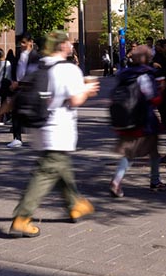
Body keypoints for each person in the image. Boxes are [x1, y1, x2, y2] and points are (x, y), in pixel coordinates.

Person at [7, 31, 100, 238]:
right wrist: (88, 89)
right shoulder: (69, 69)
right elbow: (75, 100)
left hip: (38, 127)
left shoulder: (39, 65)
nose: (71, 46)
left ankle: (75, 204)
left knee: (60, 166)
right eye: (68, 43)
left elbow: (20, 92)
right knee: (46, 172)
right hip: (59, 129)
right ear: (64, 46)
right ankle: (21, 218)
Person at [109, 45, 166, 197]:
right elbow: (153, 98)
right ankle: (154, 181)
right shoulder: (145, 75)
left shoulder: (124, 73)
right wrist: (161, 89)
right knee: (154, 153)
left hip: (125, 119)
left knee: (129, 154)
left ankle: (117, 179)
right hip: (144, 121)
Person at [6, 33, 40, 147]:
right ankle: (17, 138)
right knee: (15, 112)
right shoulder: (19, 56)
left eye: (24, 42)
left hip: (30, 90)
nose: (21, 45)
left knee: (33, 114)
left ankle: (41, 136)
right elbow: (15, 70)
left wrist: (19, 83)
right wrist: (13, 81)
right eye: (20, 42)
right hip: (18, 88)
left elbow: (33, 73)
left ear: (31, 42)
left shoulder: (35, 56)